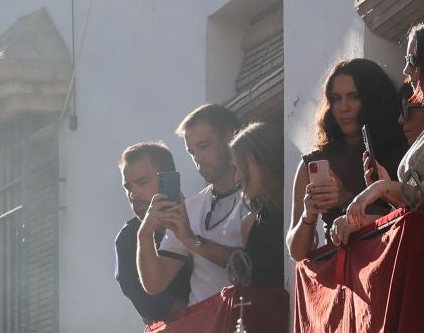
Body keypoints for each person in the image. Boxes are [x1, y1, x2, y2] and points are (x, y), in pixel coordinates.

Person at [332, 18, 424, 244]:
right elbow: (418, 209)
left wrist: (386, 187)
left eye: (413, 60)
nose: (406, 70)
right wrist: (384, 187)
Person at [288, 58, 403, 261]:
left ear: (372, 99)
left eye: (353, 97)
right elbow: (297, 253)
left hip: (391, 265)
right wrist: (308, 216)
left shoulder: (399, 150)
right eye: (335, 98)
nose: (343, 107)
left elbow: (411, 216)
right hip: (342, 278)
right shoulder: (314, 163)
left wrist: (345, 199)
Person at [135, 103, 248, 307]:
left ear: (231, 139)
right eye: (191, 151)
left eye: (204, 146)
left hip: (248, 325)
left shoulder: (258, 197)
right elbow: (154, 284)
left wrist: (190, 240)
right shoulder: (190, 206)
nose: (198, 158)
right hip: (204, 331)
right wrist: (144, 234)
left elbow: (250, 267)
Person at [115, 141, 196, 323]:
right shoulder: (128, 239)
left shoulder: (200, 214)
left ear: (168, 179)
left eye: (142, 182)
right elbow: (150, 304)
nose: (133, 194)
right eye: (128, 187)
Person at [229, 122, 286, 288]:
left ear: (264, 160)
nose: (237, 178)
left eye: (241, 167)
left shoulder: (304, 209)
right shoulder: (249, 224)